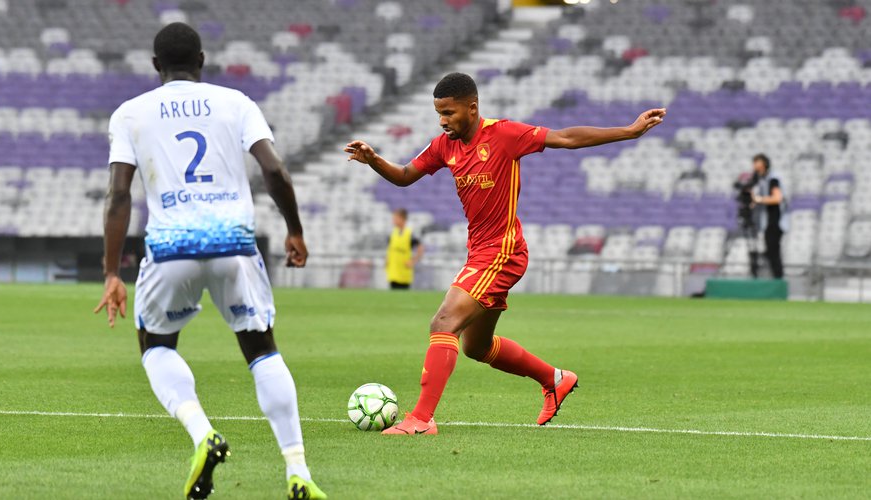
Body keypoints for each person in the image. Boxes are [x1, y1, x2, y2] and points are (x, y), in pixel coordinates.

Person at [344, 72, 665, 435]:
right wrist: (374, 159)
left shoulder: (504, 134)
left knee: (443, 322)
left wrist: (629, 130)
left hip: (503, 251)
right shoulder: (443, 146)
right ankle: (554, 379)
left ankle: (420, 419)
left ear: (472, 107)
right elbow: (404, 175)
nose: (443, 121)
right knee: (475, 347)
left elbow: (565, 138)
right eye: (439, 114)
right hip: (480, 253)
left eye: (448, 112)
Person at [93, 23, 326, 499]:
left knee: (156, 345)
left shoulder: (130, 113)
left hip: (171, 248)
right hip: (234, 246)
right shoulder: (236, 103)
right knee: (262, 350)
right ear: (201, 60)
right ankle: (297, 471)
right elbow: (274, 170)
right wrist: (294, 229)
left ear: (156, 66)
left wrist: (112, 271)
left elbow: (119, 195)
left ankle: (203, 433)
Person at [752, 153, 789, 279]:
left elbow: (777, 198)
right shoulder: (764, 180)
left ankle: (778, 280)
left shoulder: (773, 179)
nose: (757, 170)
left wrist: (759, 199)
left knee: (773, 251)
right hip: (769, 221)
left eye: (759, 166)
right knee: (771, 251)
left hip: (775, 222)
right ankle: (775, 278)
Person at [386, 208, 425, 290]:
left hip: (404, 272)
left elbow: (420, 248)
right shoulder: (393, 232)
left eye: (395, 218)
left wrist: (413, 261)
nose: (394, 221)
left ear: (402, 219)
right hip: (393, 271)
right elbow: (390, 249)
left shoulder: (409, 233)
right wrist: (387, 260)